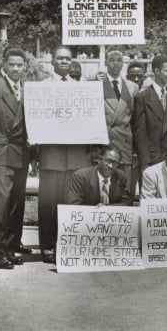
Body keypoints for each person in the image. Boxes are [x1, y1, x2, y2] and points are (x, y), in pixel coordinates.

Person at [37, 47, 92, 265]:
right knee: (48, 204)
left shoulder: (81, 89)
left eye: (67, 59)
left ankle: (68, 244)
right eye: (59, 58)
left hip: (76, 156)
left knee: (72, 203)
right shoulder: (41, 88)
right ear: (52, 61)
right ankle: (48, 246)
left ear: (72, 63)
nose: (63, 62)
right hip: (52, 156)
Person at [0, 47, 32, 270]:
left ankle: (11, 247)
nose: (15, 68)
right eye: (11, 64)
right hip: (1, 151)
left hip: (22, 153)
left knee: (16, 204)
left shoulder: (29, 89)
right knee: (0, 204)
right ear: (4, 64)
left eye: (19, 65)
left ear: (25, 67)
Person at [96, 49, 139, 197]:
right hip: (105, 142)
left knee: (123, 188)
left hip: (124, 143)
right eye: (112, 60)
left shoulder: (133, 87)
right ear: (106, 63)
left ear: (123, 63)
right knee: (103, 188)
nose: (115, 63)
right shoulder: (96, 84)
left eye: (119, 60)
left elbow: (134, 117)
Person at [132, 53, 167, 172]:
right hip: (151, 159)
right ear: (156, 71)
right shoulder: (142, 97)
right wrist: (145, 163)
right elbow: (140, 133)